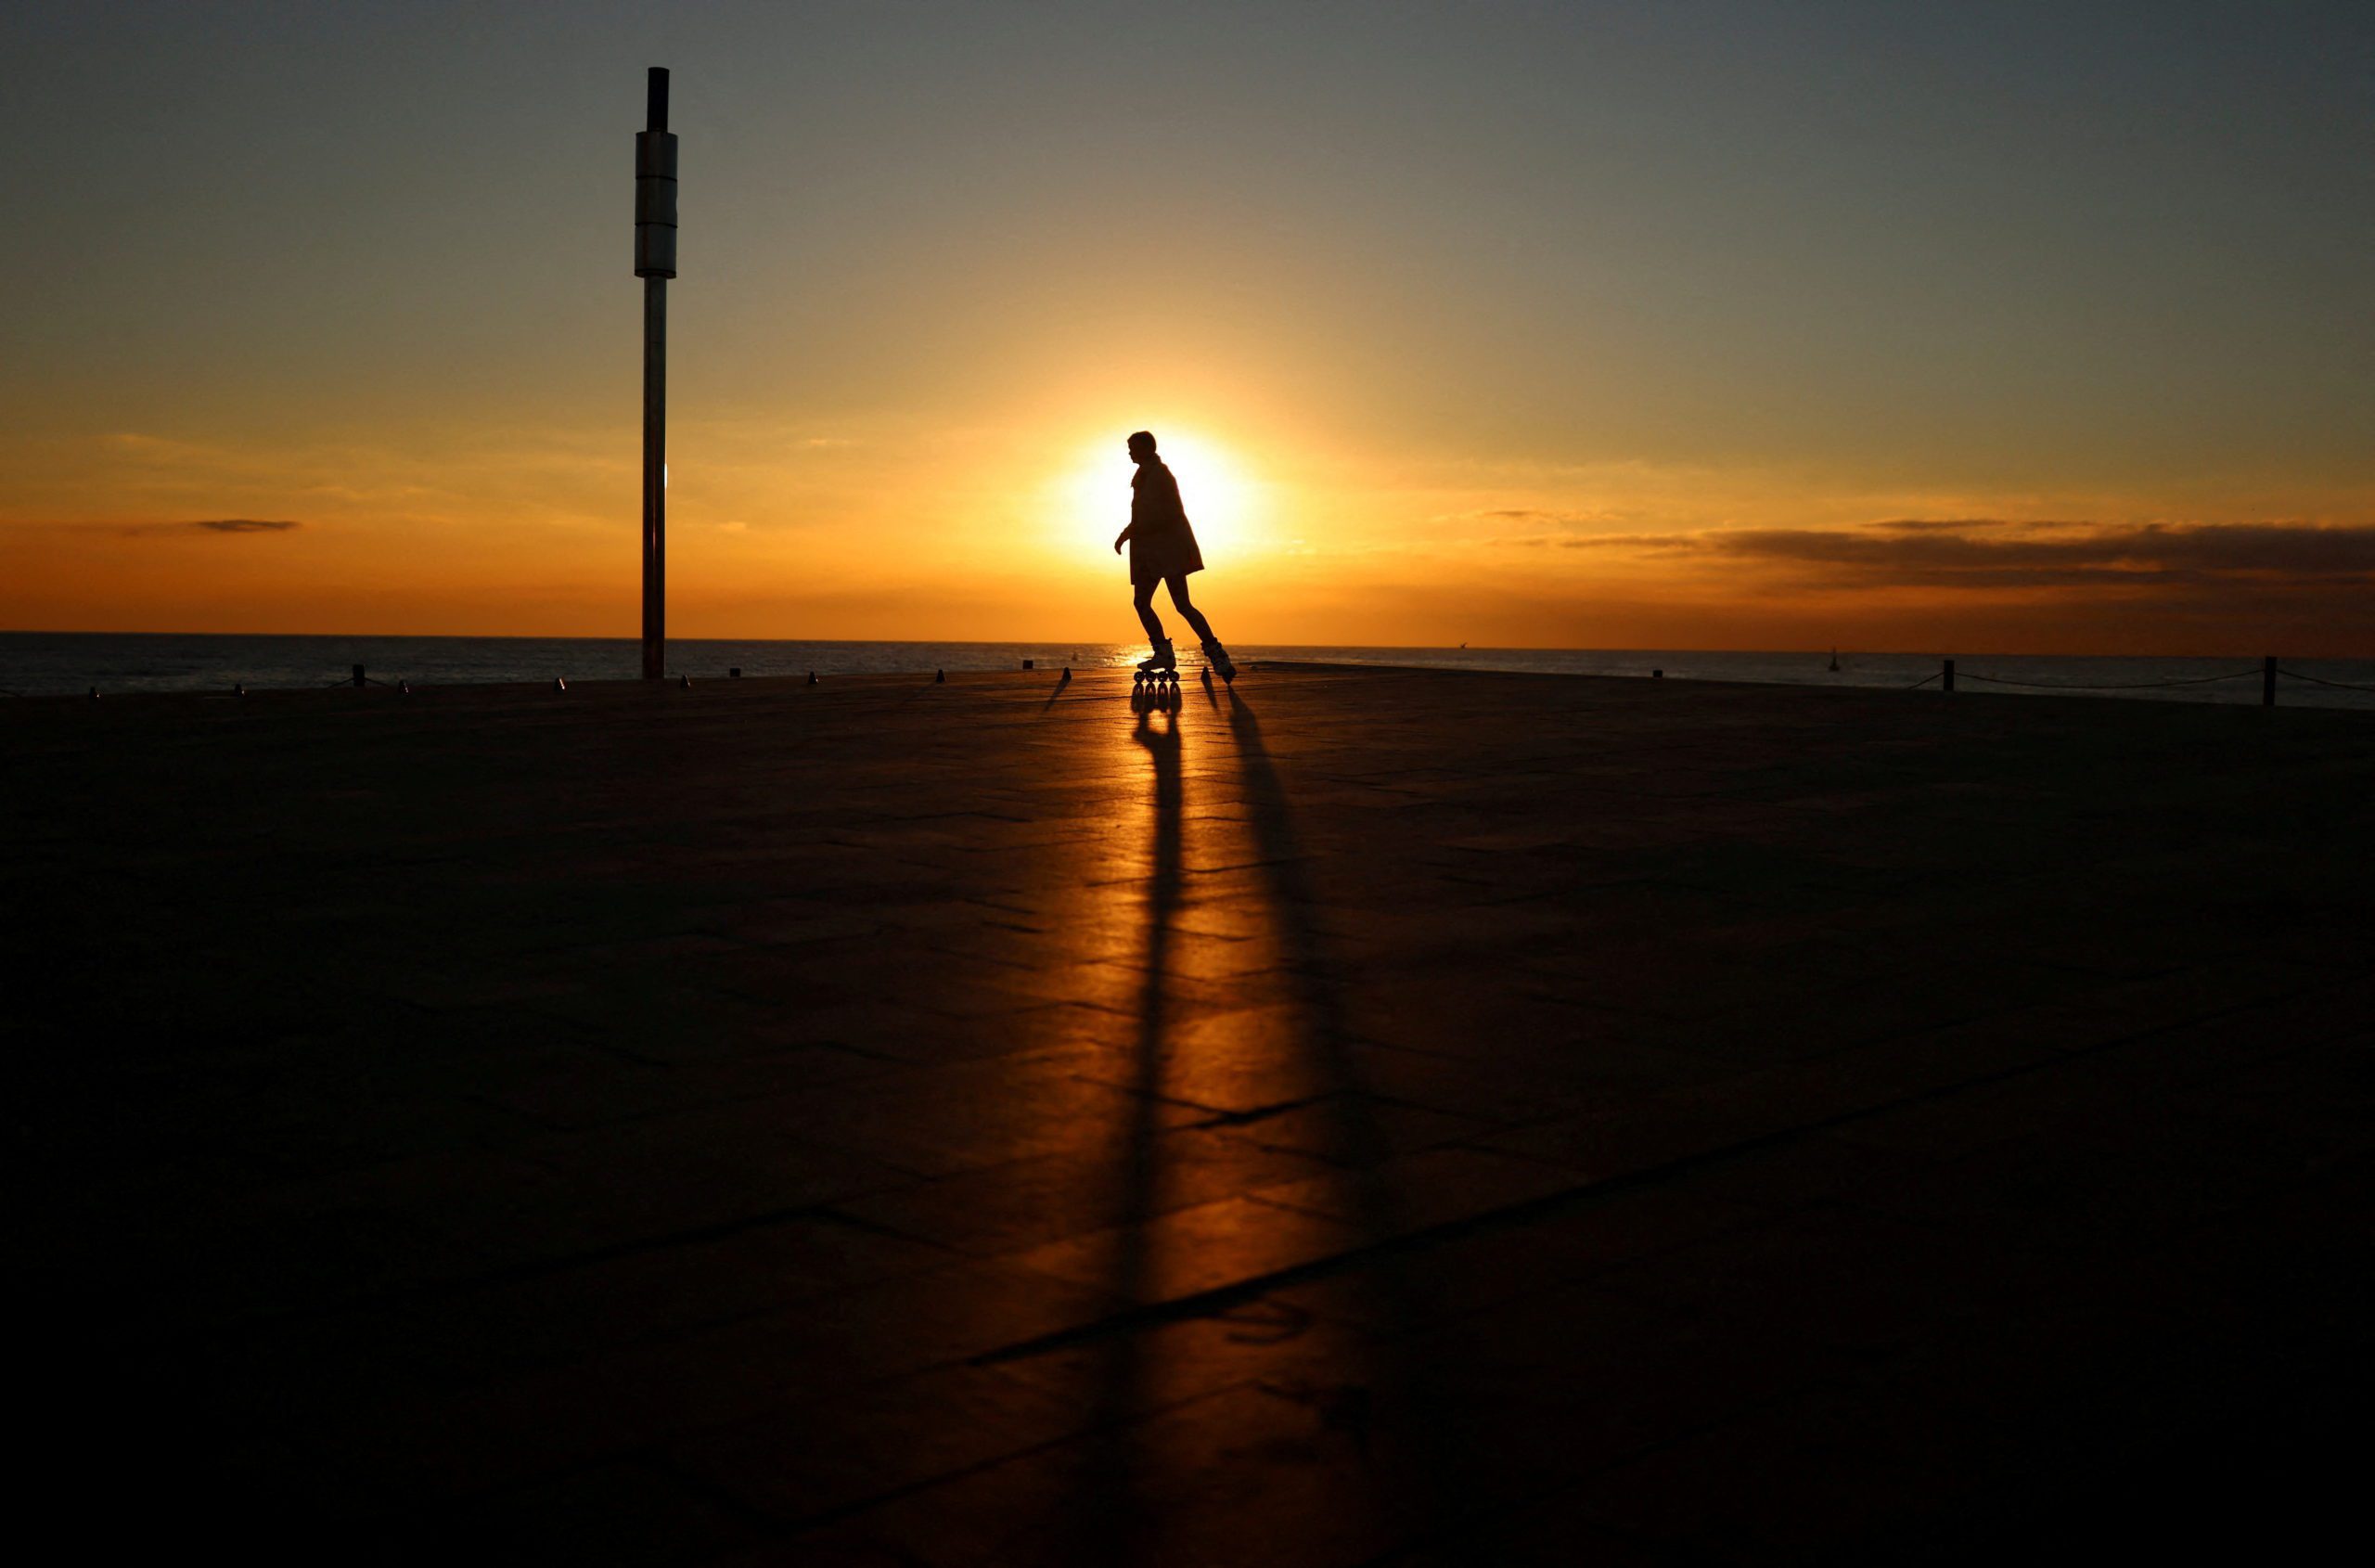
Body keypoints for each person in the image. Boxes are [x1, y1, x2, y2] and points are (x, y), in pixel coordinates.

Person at [1110, 430, 1237, 681]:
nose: (1129, 453)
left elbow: (1159, 514)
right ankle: (1165, 652)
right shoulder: (1146, 475)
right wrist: (1128, 533)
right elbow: (1144, 515)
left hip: (1165, 552)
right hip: (1150, 551)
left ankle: (1214, 653)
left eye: (1132, 448)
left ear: (1145, 449)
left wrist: (1129, 533)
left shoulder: (1158, 475)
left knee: (1181, 604)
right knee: (1145, 602)